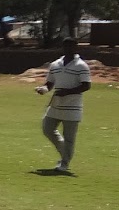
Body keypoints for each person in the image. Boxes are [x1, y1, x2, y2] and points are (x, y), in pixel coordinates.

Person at [37, 38, 92, 172]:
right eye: (66, 46)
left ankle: (64, 164)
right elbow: (50, 83)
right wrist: (44, 89)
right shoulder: (55, 64)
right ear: (63, 47)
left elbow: (86, 86)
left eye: (71, 46)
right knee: (47, 129)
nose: (68, 49)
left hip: (73, 107)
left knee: (69, 138)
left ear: (76, 48)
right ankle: (65, 153)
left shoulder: (81, 66)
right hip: (56, 104)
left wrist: (67, 92)